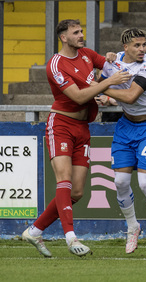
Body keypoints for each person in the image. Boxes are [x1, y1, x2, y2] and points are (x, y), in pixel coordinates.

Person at [22, 19, 131, 258]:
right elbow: (79, 96)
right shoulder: (55, 64)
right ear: (63, 37)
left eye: (81, 31)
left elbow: (111, 65)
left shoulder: (86, 55)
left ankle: (35, 230)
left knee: (77, 192)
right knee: (65, 179)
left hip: (83, 128)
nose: (81, 35)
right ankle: (71, 237)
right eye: (76, 32)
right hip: (61, 124)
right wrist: (106, 84)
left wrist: (112, 58)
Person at [100, 28, 146, 259]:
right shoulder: (112, 64)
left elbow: (131, 96)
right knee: (120, 181)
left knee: (145, 184)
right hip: (125, 126)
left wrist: (106, 89)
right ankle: (133, 227)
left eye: (144, 45)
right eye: (138, 46)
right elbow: (95, 83)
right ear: (125, 48)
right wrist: (105, 84)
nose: (143, 49)